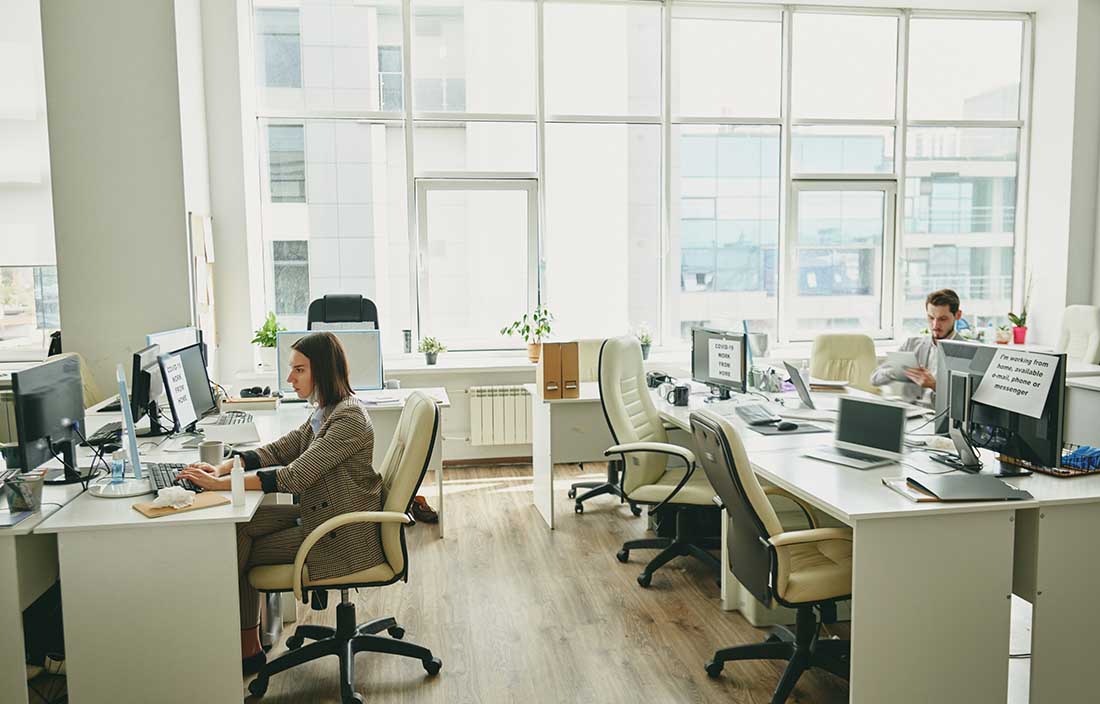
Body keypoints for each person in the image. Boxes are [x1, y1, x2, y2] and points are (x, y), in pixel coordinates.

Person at [178, 332, 383, 675]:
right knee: (239, 528)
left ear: (323, 371)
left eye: (299, 370)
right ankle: (246, 643)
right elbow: (278, 450)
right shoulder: (327, 411)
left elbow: (292, 477)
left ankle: (235, 645)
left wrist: (218, 485)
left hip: (341, 533)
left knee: (236, 549)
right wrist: (224, 466)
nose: (290, 378)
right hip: (323, 513)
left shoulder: (348, 420)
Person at [871, 288, 963, 405]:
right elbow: (874, 379)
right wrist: (896, 371)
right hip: (909, 413)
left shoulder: (970, 351)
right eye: (931, 318)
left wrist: (934, 385)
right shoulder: (912, 344)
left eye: (943, 319)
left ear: (958, 315)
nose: (935, 325)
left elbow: (966, 401)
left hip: (939, 418)